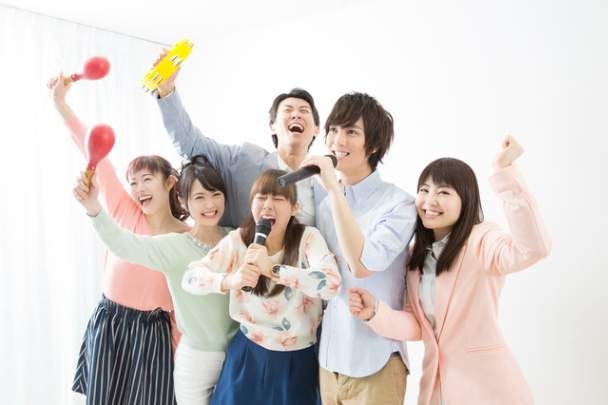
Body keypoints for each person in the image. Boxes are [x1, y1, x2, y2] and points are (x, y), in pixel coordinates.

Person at [349, 136, 551, 405]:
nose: (429, 200)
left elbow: (532, 248)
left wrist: (504, 173)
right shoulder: (415, 258)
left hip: (488, 388)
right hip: (438, 387)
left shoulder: (482, 240)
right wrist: (376, 312)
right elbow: (419, 326)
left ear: (465, 200)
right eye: (424, 190)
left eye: (443, 192)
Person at [48, 74, 187, 404]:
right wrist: (60, 104)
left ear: (170, 182)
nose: (138, 189)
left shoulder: (188, 237)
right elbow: (96, 155)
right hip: (110, 323)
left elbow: (187, 308)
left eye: (146, 179)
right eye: (133, 182)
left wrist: (182, 357)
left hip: (153, 334)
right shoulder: (126, 211)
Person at [73, 155, 239, 405]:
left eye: (215, 194)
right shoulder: (174, 244)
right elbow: (122, 243)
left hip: (195, 344)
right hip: (121, 329)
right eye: (199, 197)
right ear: (185, 200)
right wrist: (92, 206)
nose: (209, 204)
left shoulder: (234, 239)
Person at [182, 170, 341, 405]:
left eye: (278, 198)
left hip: (297, 360)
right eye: (261, 197)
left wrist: (273, 270)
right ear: (251, 204)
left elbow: (332, 284)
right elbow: (190, 278)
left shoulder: (308, 238)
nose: (268, 205)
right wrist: (229, 281)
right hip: (248, 354)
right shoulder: (238, 240)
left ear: (294, 207)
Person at [301, 92, 417, 404]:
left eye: (351, 132)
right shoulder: (325, 205)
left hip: (376, 360)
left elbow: (362, 265)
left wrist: (334, 192)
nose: (338, 140)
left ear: (374, 145)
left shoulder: (400, 205)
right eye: (333, 130)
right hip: (329, 360)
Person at [153, 51, 322, 227]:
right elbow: (192, 144)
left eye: (304, 111)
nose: (296, 115)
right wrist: (167, 90)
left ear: (316, 130)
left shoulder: (323, 188)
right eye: (288, 110)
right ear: (272, 126)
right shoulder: (243, 159)